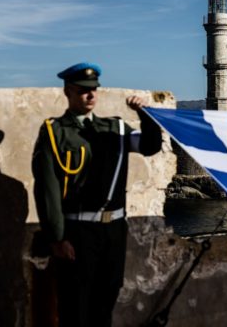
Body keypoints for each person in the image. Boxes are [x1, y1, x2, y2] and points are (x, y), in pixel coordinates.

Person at [32, 62, 162, 327]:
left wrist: (145, 115)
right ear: (68, 91)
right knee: (75, 308)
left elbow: (150, 146)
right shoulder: (55, 132)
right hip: (78, 232)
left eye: (94, 90)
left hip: (113, 231)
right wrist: (57, 237)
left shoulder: (115, 128)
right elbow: (47, 189)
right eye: (83, 90)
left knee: (105, 304)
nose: (90, 95)